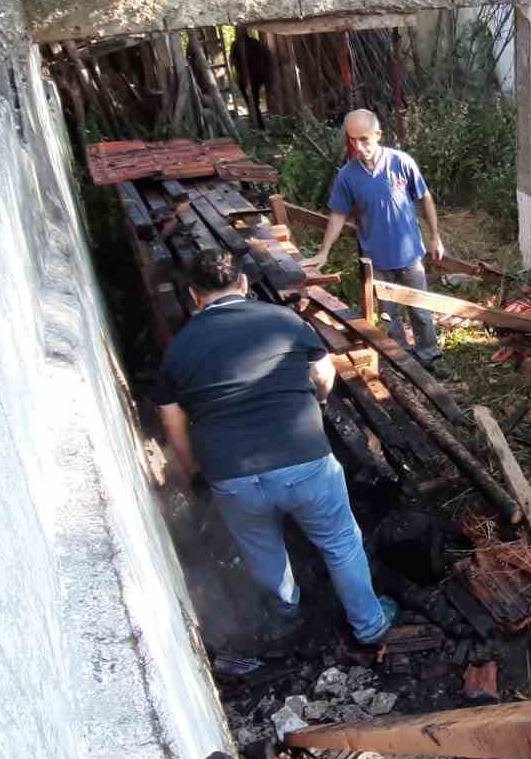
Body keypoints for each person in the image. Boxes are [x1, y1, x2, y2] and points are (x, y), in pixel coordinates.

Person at [153, 253, 393, 647]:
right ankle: (369, 624)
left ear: (195, 295)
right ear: (244, 284)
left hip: (233, 474)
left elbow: (171, 418)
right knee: (339, 543)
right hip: (305, 460)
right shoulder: (283, 321)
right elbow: (323, 373)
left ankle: (288, 616)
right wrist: (316, 402)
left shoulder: (179, 349)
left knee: (262, 550)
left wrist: (193, 467)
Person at [308, 108, 448, 373]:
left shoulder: (401, 162)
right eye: (352, 140)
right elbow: (338, 215)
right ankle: (402, 360)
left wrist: (435, 237)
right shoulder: (347, 176)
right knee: (389, 315)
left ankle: (430, 356)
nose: (358, 146)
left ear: (378, 134)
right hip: (377, 261)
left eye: (364, 139)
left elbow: (425, 198)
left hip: (409, 256)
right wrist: (324, 251)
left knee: (420, 310)